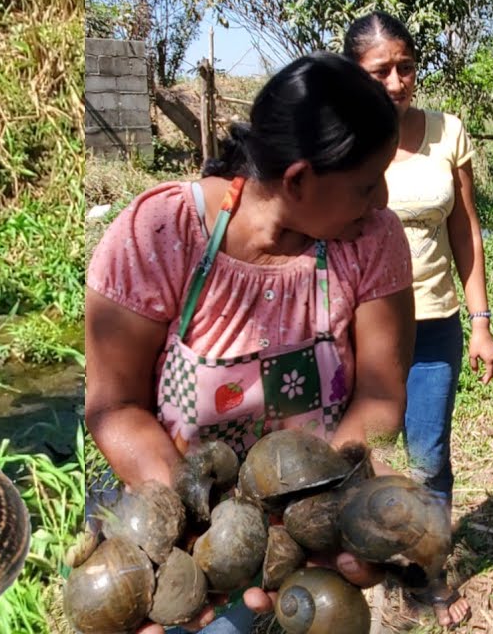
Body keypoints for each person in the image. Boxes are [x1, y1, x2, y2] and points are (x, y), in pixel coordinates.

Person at [86, 52, 471, 632]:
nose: (381, 201)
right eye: (366, 185)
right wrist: (197, 527)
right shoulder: (160, 234)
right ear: (297, 180)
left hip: (310, 552)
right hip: (188, 540)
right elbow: (115, 407)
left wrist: (320, 513)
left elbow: (380, 399)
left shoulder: (370, 239)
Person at [344, 12, 493, 507]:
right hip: (357, 330)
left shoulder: (447, 132)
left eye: (406, 67)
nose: (397, 83)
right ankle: (366, 548)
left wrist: (480, 322)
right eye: (380, 71)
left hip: (435, 325)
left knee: (429, 459)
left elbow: (465, 230)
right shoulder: (340, 142)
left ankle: (430, 551)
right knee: (353, 456)